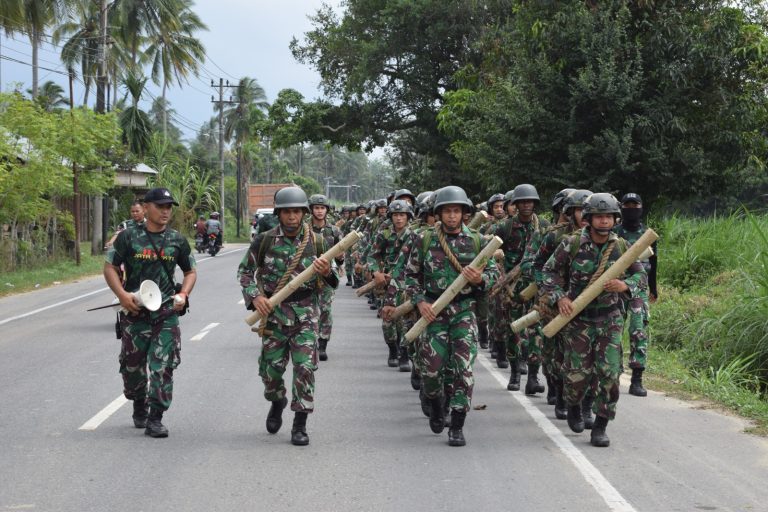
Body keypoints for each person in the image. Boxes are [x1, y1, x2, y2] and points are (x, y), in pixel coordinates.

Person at [541, 193, 646, 447]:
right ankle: (574, 405)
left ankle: (600, 425)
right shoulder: (571, 243)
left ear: (615, 219)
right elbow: (548, 272)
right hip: (578, 321)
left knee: (609, 374)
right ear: (588, 219)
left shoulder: (621, 247)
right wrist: (559, 298)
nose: (604, 221)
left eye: (608, 217)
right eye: (599, 216)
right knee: (577, 376)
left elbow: (640, 277)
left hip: (609, 319)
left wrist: (624, 285)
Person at [237, 187, 339, 446]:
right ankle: (277, 400)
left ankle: (300, 424)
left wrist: (326, 270)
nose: (292, 216)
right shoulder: (265, 240)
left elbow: (334, 281)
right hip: (274, 314)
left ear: (303, 213)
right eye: (287, 212)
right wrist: (255, 297)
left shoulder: (317, 241)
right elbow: (246, 272)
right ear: (279, 214)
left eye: (296, 211)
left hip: (306, 313)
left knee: (305, 368)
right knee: (270, 372)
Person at [403, 186, 498, 447]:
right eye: (447, 211)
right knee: (431, 371)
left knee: (463, 370)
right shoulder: (424, 241)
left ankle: (457, 424)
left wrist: (481, 279)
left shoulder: (478, 241)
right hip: (433, 312)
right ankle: (435, 404)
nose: (452, 216)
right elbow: (409, 276)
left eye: (457, 211)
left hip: (464, 312)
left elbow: (494, 275)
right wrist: (419, 301)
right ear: (439, 214)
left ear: (465, 214)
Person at [103, 188, 197, 438]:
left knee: (162, 365)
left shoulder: (177, 240)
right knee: (133, 368)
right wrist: (123, 296)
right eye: (160, 206)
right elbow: (110, 267)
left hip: (166, 313)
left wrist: (184, 294)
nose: (166, 210)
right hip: (135, 313)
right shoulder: (129, 237)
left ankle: (156, 416)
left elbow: (190, 272)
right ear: (146, 208)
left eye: (169, 206)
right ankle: (138, 401)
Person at [614, 192, 657, 397]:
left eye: (635, 205)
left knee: (638, 329)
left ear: (641, 207)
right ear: (622, 208)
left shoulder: (647, 233)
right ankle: (614, 372)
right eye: (627, 205)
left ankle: (637, 379)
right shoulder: (615, 233)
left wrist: (654, 288)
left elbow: (654, 263)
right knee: (614, 327)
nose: (632, 209)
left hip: (640, 285)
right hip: (617, 285)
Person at [308, 194, 344, 361]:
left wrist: (341, 258)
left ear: (327, 210)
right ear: (311, 209)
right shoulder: (304, 229)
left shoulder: (334, 231)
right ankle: (308, 341)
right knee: (308, 310)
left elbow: (340, 256)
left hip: (327, 275)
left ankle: (322, 343)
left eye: (322, 208)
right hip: (305, 275)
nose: (320, 211)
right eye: (317, 208)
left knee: (325, 310)